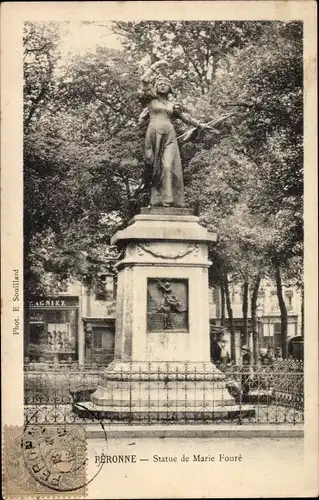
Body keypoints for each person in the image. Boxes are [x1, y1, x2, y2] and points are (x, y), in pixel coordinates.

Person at [139, 60, 210, 207]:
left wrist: (200, 125)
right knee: (152, 165)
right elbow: (144, 80)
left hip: (169, 136)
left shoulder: (172, 105)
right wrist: (156, 65)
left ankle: (168, 199)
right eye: (159, 84)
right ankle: (155, 198)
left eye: (165, 84)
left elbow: (186, 118)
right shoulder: (150, 100)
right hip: (153, 134)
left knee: (167, 166)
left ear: (170, 88)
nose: (162, 85)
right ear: (155, 87)